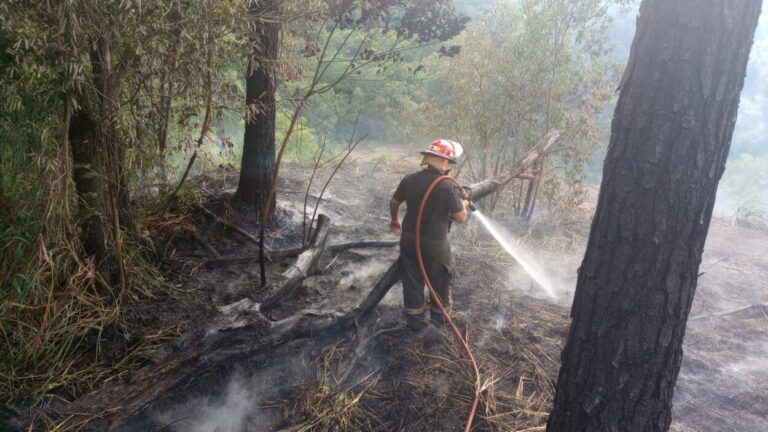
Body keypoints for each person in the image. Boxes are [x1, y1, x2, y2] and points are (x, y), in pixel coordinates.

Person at [389, 139, 469, 330]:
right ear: (445, 162)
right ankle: (440, 318)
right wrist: (464, 204)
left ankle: (414, 322)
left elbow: (394, 202)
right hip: (434, 243)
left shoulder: (409, 179)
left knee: (412, 279)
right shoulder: (447, 186)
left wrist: (394, 220)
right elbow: (460, 218)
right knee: (440, 279)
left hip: (408, 238)